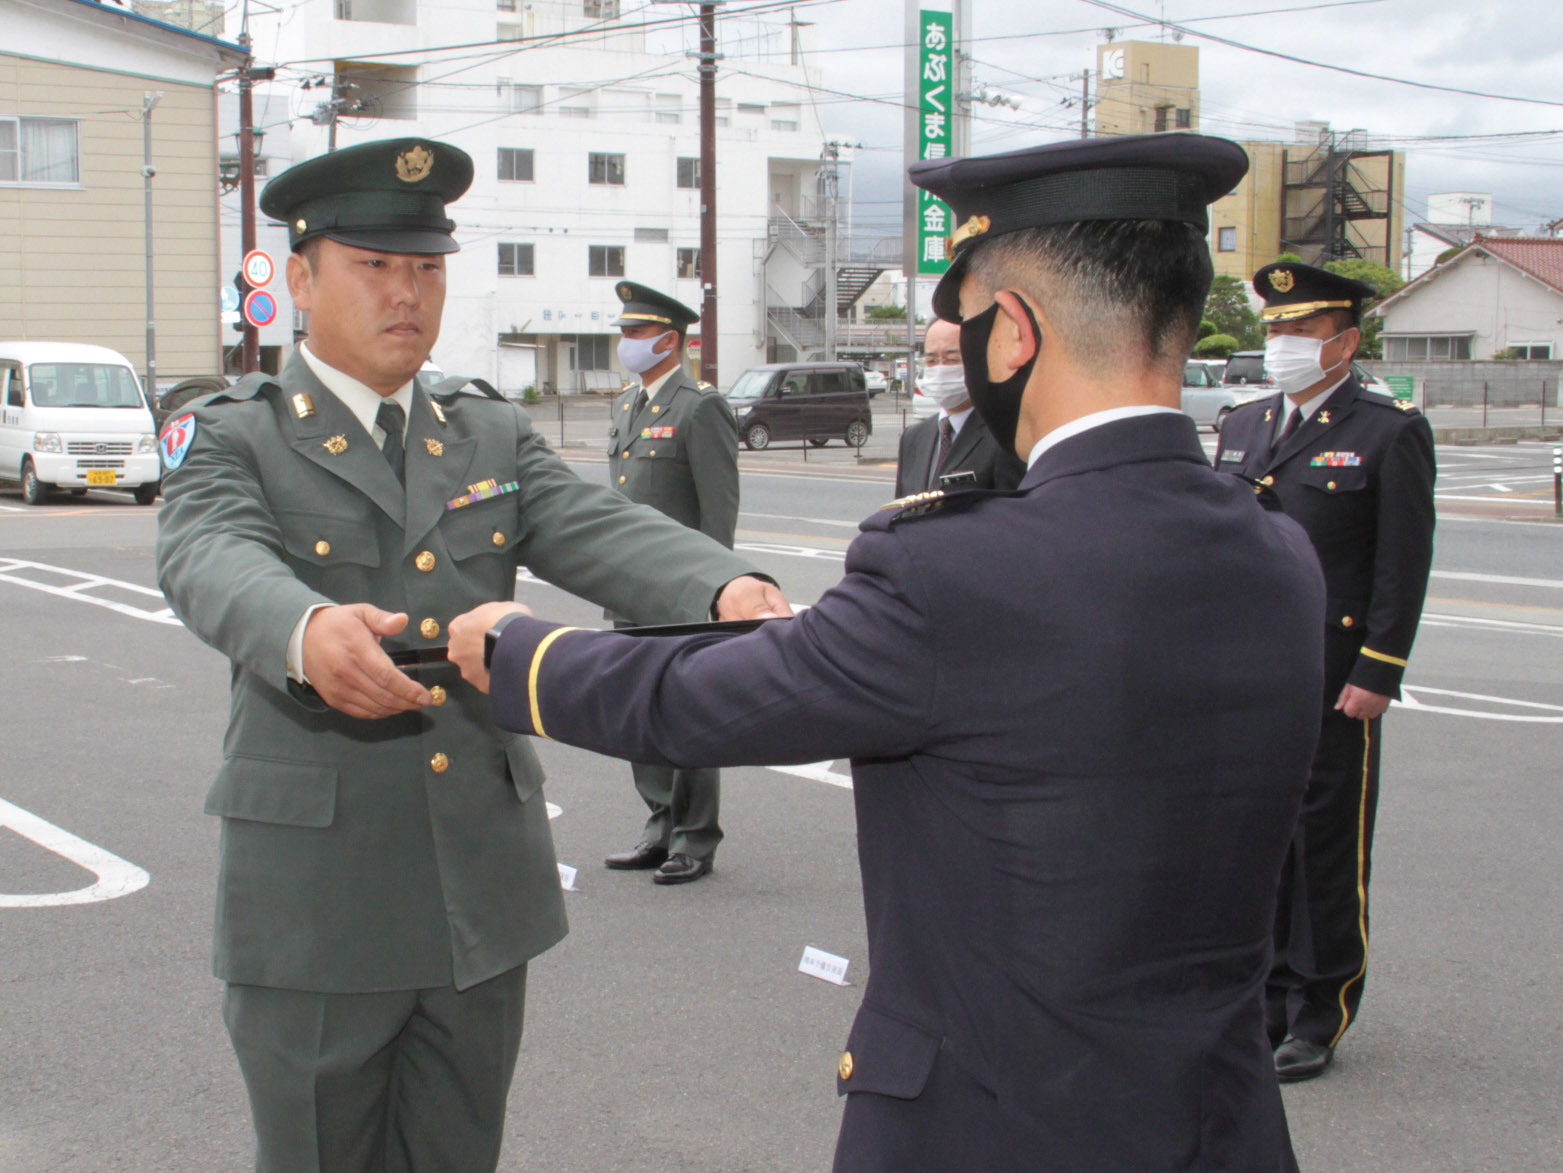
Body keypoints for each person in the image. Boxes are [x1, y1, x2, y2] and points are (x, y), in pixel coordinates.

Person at [450, 132, 1326, 1171]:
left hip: (992, 1129)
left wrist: (521, 652)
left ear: (1014, 336)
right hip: (1217, 1125)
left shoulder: (963, 571)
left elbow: (699, 702)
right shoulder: (1277, 547)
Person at [154, 137, 787, 1173]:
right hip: (318, 903)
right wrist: (303, 630)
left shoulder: (483, 431)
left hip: (478, 898)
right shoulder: (235, 433)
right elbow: (208, 553)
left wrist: (722, 588)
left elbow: (598, 525)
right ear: (303, 278)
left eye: (428, 269)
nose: (408, 294)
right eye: (376, 267)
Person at [1214, 261, 1436, 1082]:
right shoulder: (1243, 423)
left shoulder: (1387, 428)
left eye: (1297, 332)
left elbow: (1400, 563)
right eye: (1272, 331)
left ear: (1343, 340)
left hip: (1334, 673)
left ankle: (1318, 1006)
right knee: (1255, 840)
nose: (1280, 346)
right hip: (1249, 675)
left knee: (1324, 846)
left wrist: (1379, 667)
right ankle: (1261, 997)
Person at [602, 281, 739, 884]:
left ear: (670, 340)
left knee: (688, 713)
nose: (627, 343)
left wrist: (715, 588)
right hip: (631, 586)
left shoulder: (700, 405)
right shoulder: (627, 404)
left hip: (683, 591)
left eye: (637, 333)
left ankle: (695, 838)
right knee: (640, 713)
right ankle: (658, 826)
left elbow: (718, 511)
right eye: (624, 333)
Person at [894, 317, 1024, 496]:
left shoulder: (1005, 437)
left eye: (953, 359)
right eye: (932, 361)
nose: (941, 369)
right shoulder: (913, 437)